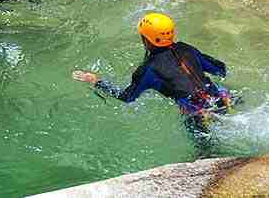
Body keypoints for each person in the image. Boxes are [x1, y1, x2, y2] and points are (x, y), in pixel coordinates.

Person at [71, 12, 235, 157]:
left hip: (197, 114)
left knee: (206, 153)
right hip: (222, 98)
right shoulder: (186, 49)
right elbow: (220, 69)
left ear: (146, 40)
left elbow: (127, 97)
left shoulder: (148, 69)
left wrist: (96, 82)